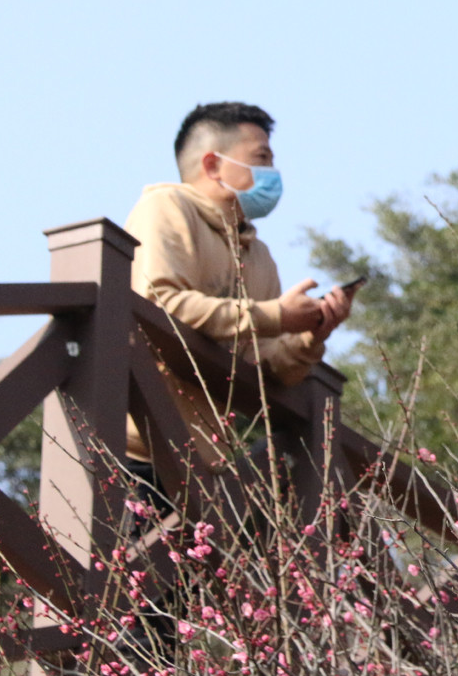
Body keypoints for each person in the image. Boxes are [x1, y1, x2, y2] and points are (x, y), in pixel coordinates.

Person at [122, 102, 355, 476]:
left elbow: (265, 366)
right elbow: (160, 305)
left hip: (203, 468)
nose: (272, 173)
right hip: (135, 452)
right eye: (261, 158)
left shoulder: (259, 255)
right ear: (213, 165)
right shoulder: (166, 206)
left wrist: (310, 335)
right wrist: (277, 315)